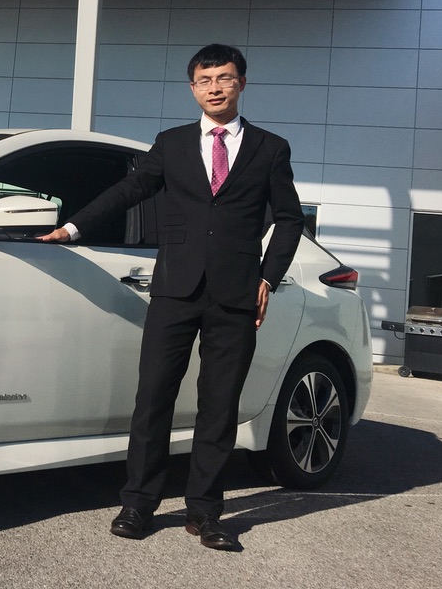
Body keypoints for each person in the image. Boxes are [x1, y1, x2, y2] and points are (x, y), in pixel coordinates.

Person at [39, 43, 304, 551]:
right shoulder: (172, 143)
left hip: (236, 295)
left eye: (225, 78)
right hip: (174, 292)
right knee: (154, 397)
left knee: (219, 406)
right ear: (193, 89)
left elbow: (289, 219)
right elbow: (128, 192)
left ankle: (206, 513)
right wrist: (71, 227)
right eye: (205, 81)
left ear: (242, 83)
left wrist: (267, 277)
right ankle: (138, 503)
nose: (215, 88)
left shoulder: (271, 148)